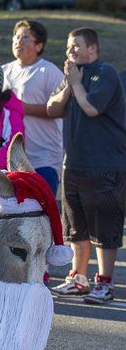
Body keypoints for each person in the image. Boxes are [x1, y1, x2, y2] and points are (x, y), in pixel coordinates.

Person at [47, 27, 126, 304]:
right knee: (75, 225)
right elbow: (52, 109)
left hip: (104, 164)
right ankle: (78, 278)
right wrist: (69, 85)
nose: (71, 51)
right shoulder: (73, 77)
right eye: (69, 46)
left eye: (76, 46)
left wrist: (77, 84)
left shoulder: (105, 74)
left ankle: (105, 283)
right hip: (74, 164)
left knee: (105, 225)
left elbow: (92, 108)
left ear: (92, 48)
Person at [3, 20, 65, 195]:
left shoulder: (48, 72)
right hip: (10, 160)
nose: (18, 41)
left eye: (25, 38)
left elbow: (62, 110)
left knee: (43, 216)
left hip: (43, 159)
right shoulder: (4, 71)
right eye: (16, 37)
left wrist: (22, 108)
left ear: (39, 46)